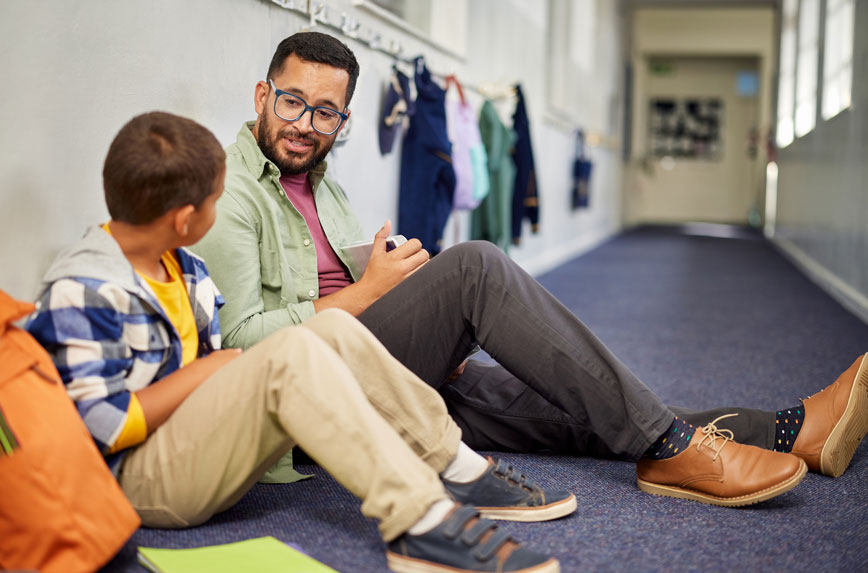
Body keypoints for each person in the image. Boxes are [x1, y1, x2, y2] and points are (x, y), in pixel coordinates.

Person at [191, 31, 868, 506]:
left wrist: (409, 298)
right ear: (262, 94)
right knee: (477, 268)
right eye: (293, 102)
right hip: (304, 415)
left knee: (577, 404)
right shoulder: (231, 194)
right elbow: (242, 350)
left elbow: (337, 284)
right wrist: (375, 292)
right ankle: (669, 446)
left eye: (327, 112)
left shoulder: (322, 183)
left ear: (344, 119)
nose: (307, 123)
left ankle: (785, 431)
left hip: (378, 371)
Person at [25, 111, 582, 573]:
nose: (220, 212)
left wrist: (219, 373)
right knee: (290, 353)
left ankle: (456, 470)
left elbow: (220, 375)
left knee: (333, 329)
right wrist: (205, 373)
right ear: (185, 218)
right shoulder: (84, 289)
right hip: (140, 484)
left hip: (196, 443)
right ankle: (421, 523)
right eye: (216, 202)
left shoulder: (185, 268)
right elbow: (104, 426)